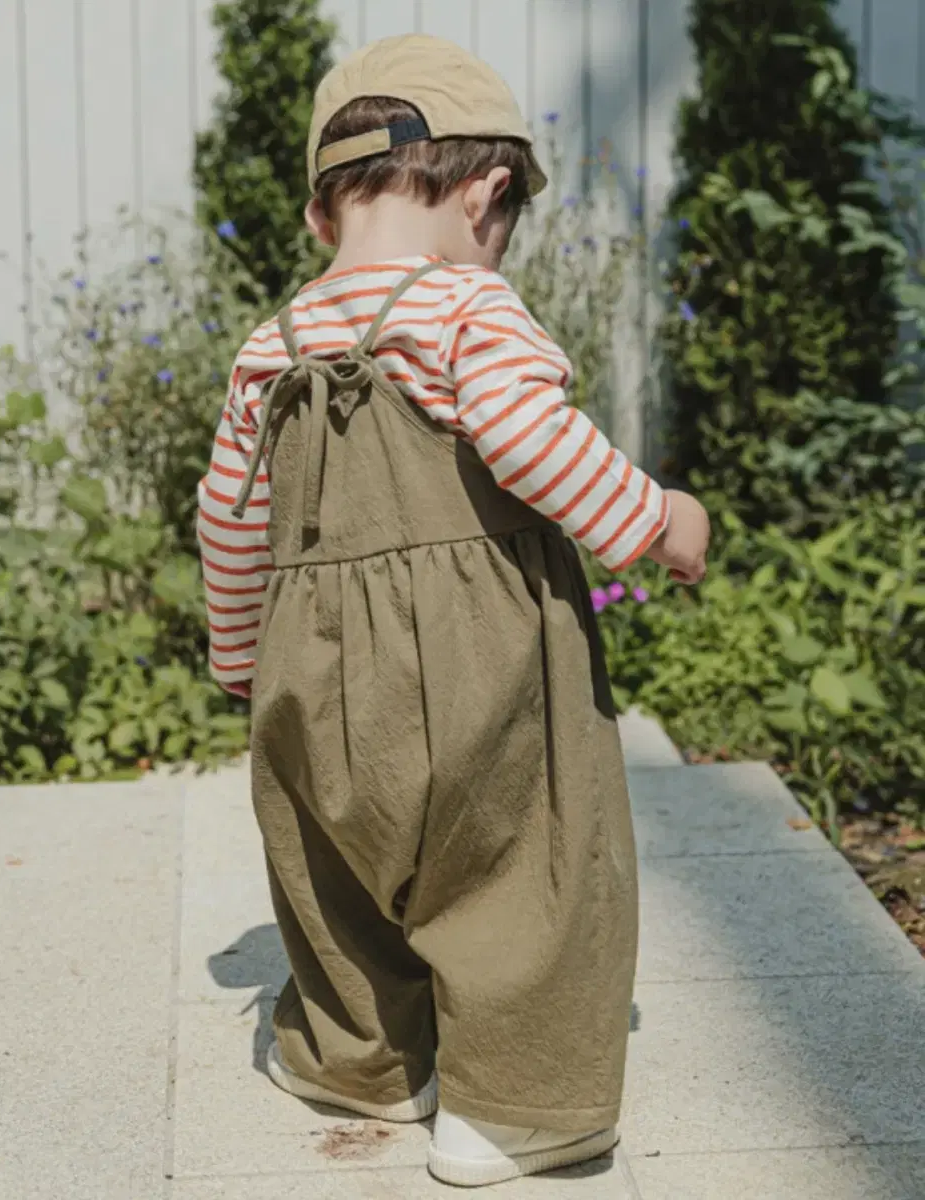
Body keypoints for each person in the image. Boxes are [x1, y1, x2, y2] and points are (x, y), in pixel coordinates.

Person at [197, 33, 710, 1189]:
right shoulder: (470, 307)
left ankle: (362, 1064)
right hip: (481, 653)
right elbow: (532, 444)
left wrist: (241, 657)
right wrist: (656, 519)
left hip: (306, 667)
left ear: (322, 219)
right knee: (523, 860)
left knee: (333, 867)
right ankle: (516, 1111)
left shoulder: (263, 350)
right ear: (486, 196)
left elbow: (227, 519)